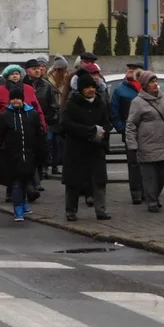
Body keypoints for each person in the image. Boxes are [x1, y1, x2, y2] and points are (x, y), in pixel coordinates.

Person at [61, 69, 111, 222]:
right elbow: (66, 125)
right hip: (76, 149)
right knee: (73, 183)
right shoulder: (71, 104)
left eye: (93, 87)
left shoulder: (100, 104)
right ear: (81, 89)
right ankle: (71, 211)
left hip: (96, 149)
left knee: (99, 182)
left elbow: (106, 124)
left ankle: (100, 210)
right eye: (87, 87)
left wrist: (103, 139)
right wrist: (88, 131)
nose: (91, 90)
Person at [0, 84, 45, 221]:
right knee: (16, 182)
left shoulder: (32, 114)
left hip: (29, 155)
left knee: (26, 180)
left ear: (23, 99)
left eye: (18, 98)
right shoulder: (5, 116)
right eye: (13, 99)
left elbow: (39, 134)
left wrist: (42, 152)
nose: (15, 101)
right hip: (12, 155)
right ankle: (18, 209)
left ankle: (24, 203)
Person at [125, 71, 164, 213]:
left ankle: (153, 195)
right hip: (146, 146)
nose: (155, 84)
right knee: (149, 176)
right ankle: (152, 201)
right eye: (152, 82)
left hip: (163, 144)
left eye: (156, 81)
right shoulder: (137, 102)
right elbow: (131, 125)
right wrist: (132, 145)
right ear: (145, 85)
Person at [110, 62, 145, 205]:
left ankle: (149, 192)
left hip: (148, 134)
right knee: (134, 164)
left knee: (149, 164)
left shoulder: (146, 89)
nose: (130, 70)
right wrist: (122, 128)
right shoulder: (120, 91)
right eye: (129, 68)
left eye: (134, 69)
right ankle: (136, 193)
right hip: (130, 133)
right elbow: (114, 112)